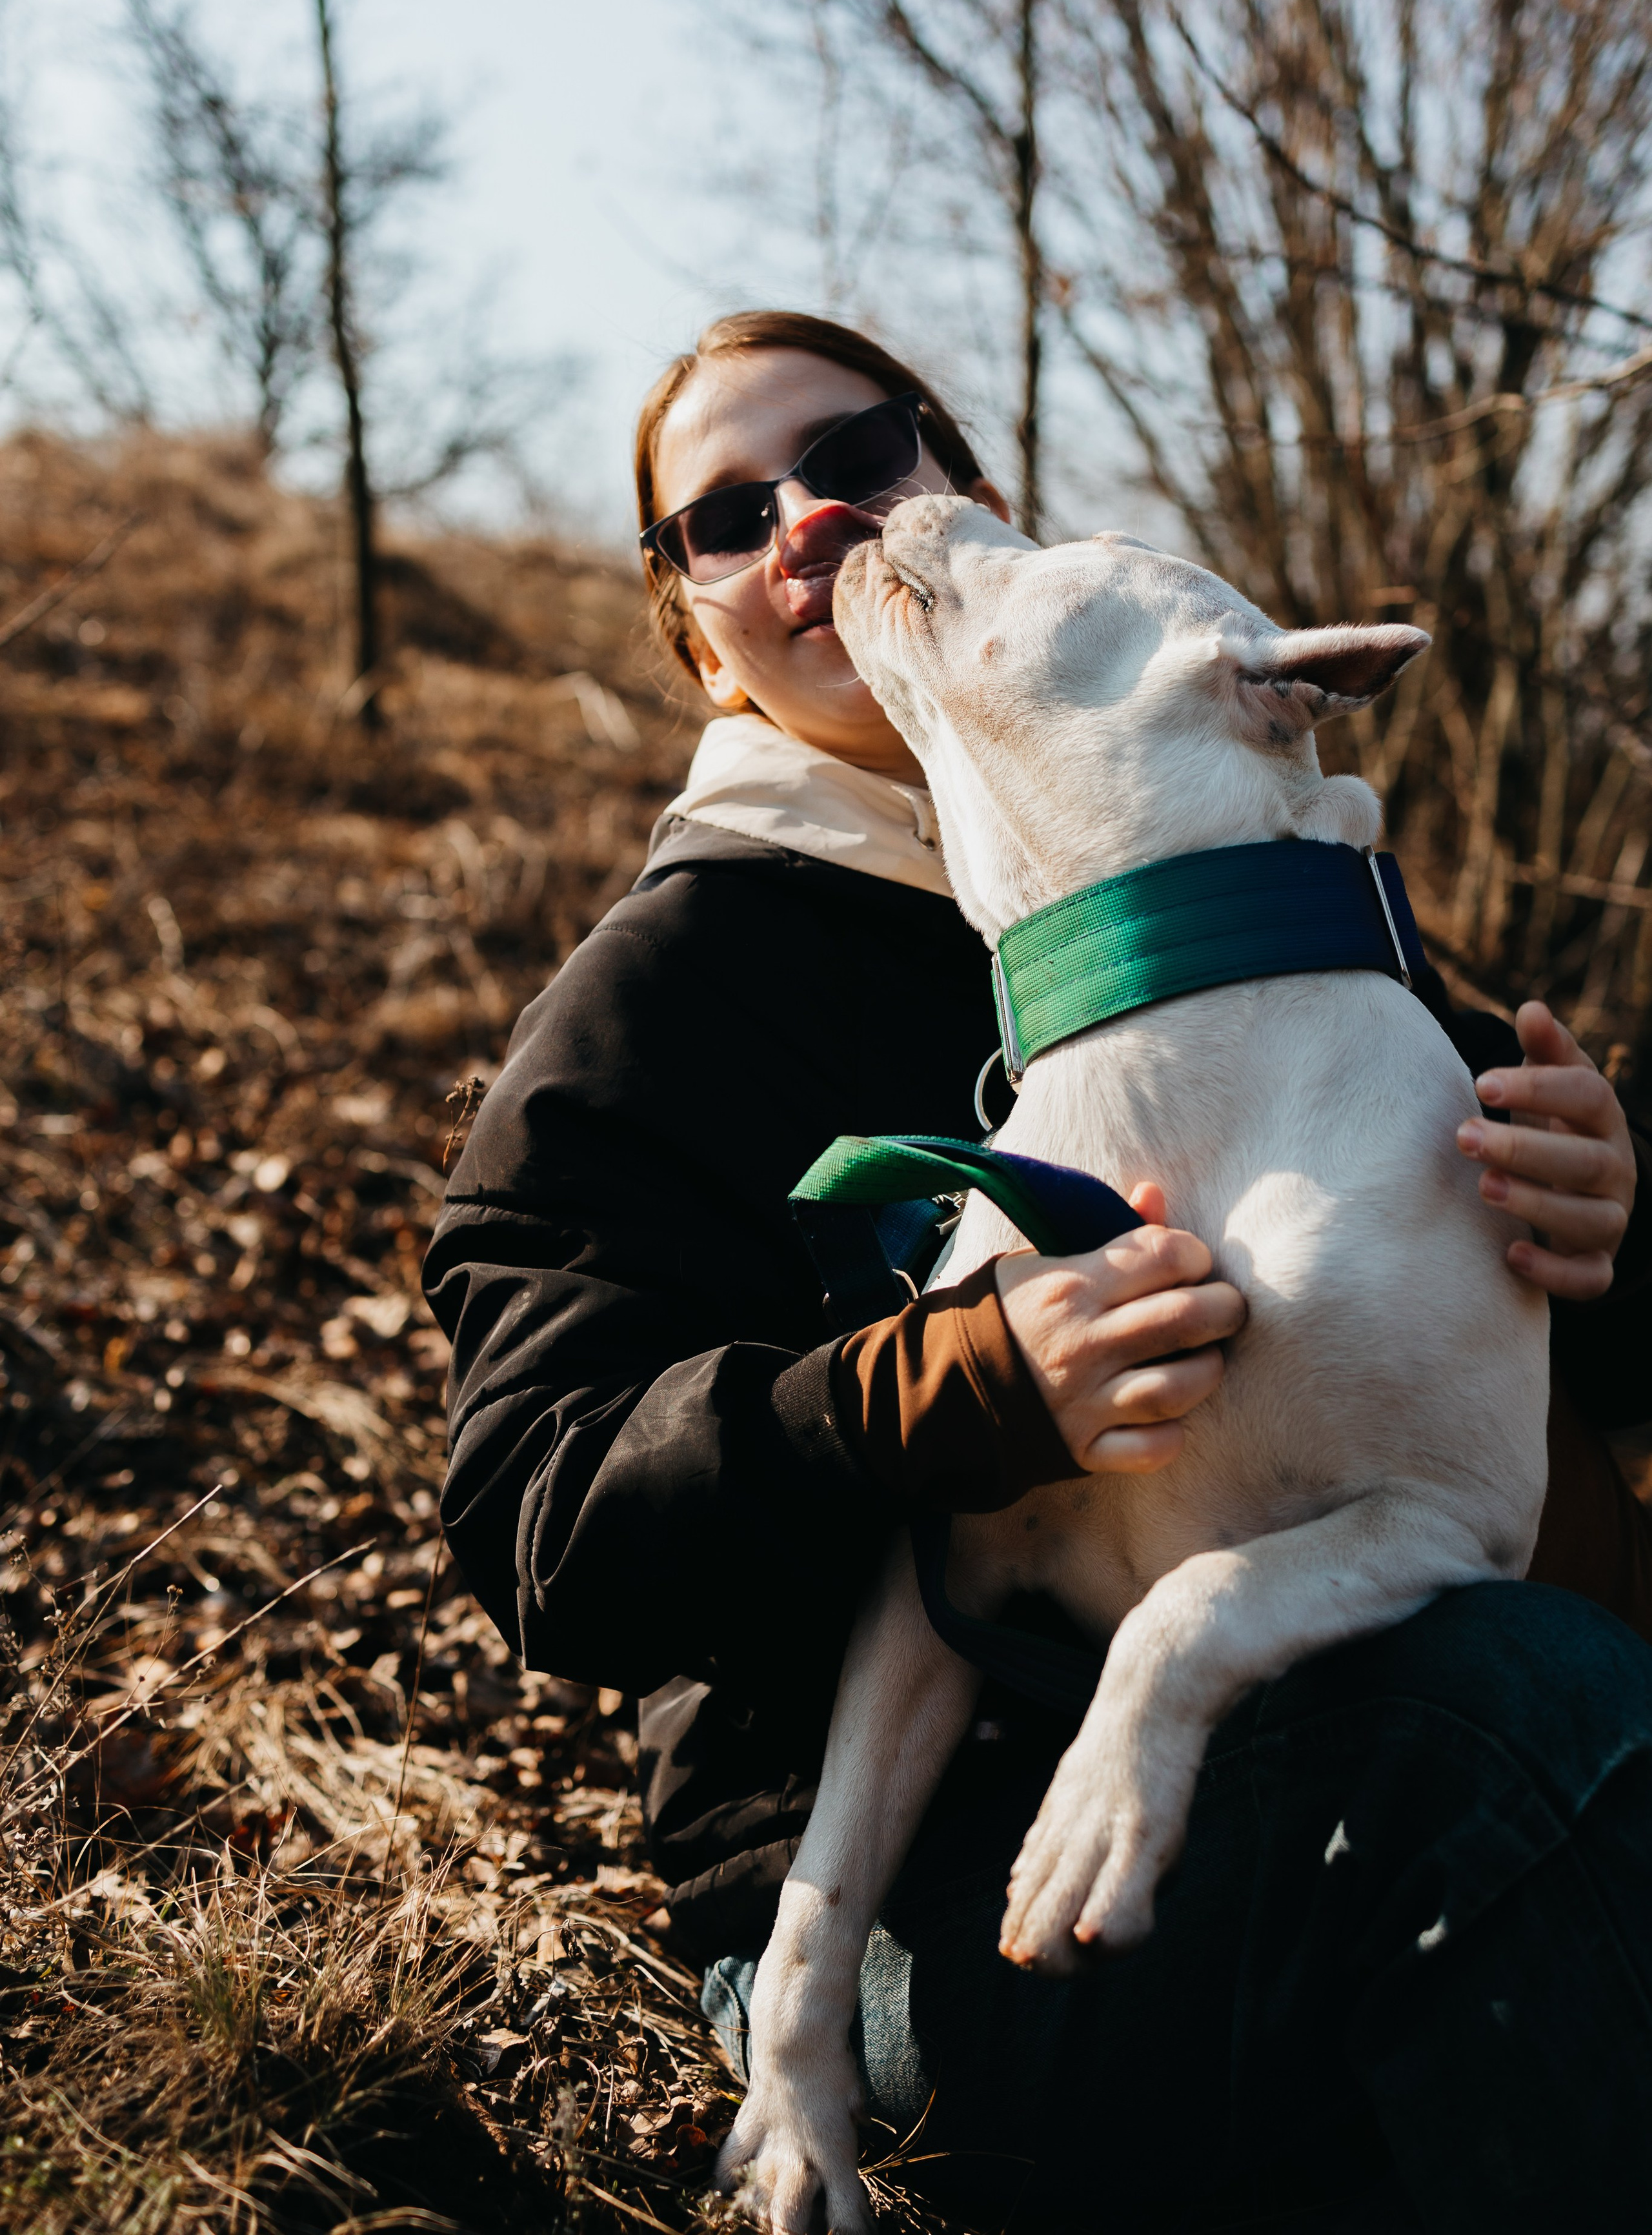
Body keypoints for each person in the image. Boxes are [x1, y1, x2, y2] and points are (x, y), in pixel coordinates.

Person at [425, 310, 1652, 2231]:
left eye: (860, 456)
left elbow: (1509, 1396)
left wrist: (1613, 1234)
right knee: (1514, 1712)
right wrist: (927, 1397)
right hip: (924, 1913)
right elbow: (537, 1526)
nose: (813, 519)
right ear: (695, 634)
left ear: (966, 486)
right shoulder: (656, 1011)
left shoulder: (1277, 904)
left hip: (1315, 1768)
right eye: (731, 514)